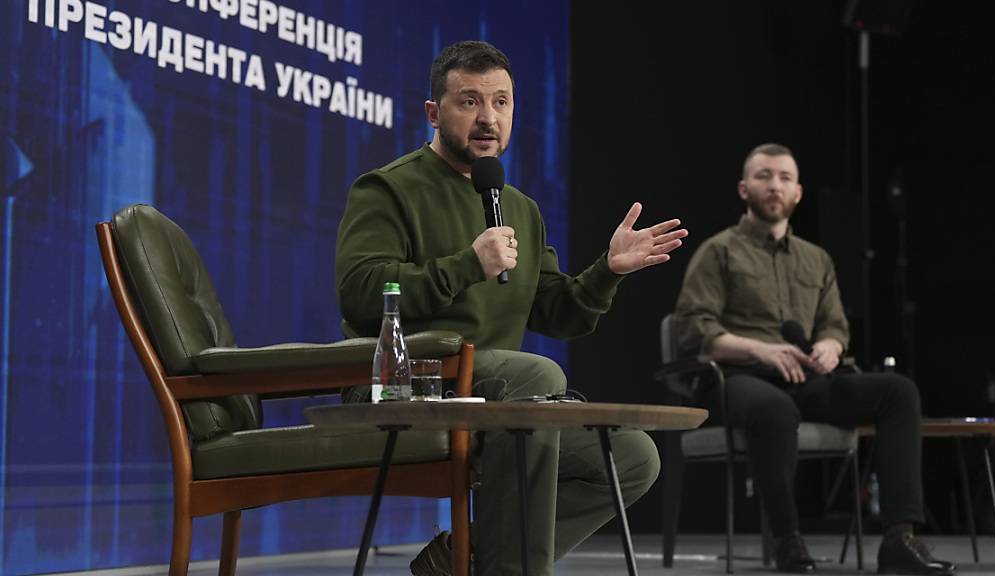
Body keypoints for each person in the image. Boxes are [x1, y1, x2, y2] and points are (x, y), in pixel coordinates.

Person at [335, 40, 688, 576]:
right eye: (469, 101)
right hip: (403, 386)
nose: (487, 118)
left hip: (493, 396)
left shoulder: (519, 207)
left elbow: (557, 313)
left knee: (634, 458)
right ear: (433, 112)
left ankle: (465, 562)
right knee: (536, 375)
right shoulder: (388, 188)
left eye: (501, 102)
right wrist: (465, 266)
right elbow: (359, 292)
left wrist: (606, 272)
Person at [674, 143, 956, 575]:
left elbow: (835, 324)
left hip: (804, 379)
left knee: (897, 392)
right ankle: (788, 540)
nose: (775, 185)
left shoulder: (816, 259)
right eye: (764, 176)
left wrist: (831, 346)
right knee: (773, 408)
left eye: (785, 178)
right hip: (737, 378)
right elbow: (695, 329)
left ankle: (899, 537)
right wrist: (760, 349)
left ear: (799, 193)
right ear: (743, 188)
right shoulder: (719, 252)